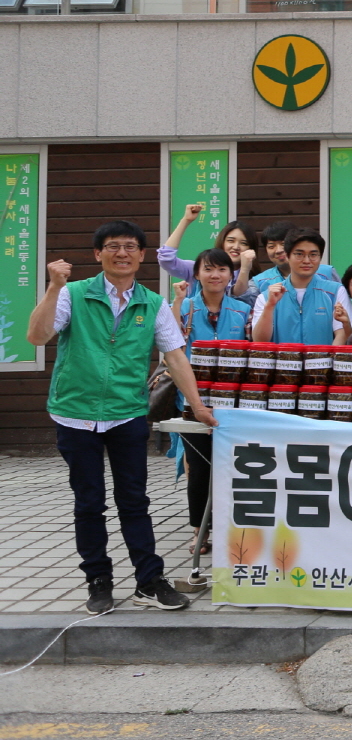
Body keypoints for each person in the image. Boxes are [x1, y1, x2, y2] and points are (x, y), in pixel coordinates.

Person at [27, 220, 216, 614]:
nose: (122, 253)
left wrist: (197, 405)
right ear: (98, 254)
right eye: (113, 246)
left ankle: (149, 580)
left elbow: (176, 357)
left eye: (131, 247)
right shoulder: (72, 294)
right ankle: (98, 580)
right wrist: (53, 287)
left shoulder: (153, 302)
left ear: (142, 256)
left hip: (127, 413)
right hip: (75, 414)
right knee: (89, 501)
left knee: (134, 501)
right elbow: (38, 336)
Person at [169, 247, 251, 555]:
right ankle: (198, 532)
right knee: (200, 468)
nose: (215, 275)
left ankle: (234, 530)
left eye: (221, 270)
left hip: (235, 404)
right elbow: (169, 340)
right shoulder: (186, 306)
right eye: (208, 269)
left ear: (231, 275)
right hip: (193, 402)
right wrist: (177, 300)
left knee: (236, 468)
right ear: (197, 274)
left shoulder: (243, 310)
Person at [250, 229, 352, 345]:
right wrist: (270, 306)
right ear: (287, 256)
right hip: (283, 362)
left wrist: (327, 360)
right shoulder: (266, 297)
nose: (306, 261)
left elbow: (341, 334)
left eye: (313, 255)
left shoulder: (335, 291)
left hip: (323, 362)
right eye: (299, 254)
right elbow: (259, 341)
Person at [157, 204, 258, 301]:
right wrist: (186, 220)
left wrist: (245, 269)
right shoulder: (200, 267)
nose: (236, 247)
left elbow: (241, 298)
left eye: (244, 243)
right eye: (230, 241)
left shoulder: (257, 279)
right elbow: (166, 259)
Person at [249, 220, 340, 293]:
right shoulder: (259, 282)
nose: (278, 250)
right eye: (271, 246)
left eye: (283, 244)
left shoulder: (327, 273)